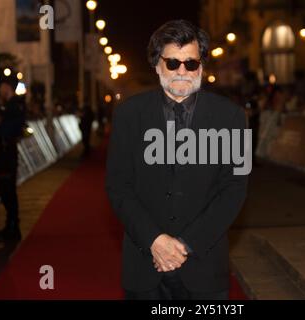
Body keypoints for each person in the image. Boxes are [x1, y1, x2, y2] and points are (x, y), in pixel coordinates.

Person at [106, 20, 248, 300]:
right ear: (157, 65)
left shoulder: (231, 117)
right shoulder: (128, 115)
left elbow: (234, 189)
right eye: (172, 63)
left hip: (205, 268)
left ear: (201, 67)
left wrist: (185, 245)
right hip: (143, 266)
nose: (182, 71)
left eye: (190, 63)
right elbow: (118, 187)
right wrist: (154, 241)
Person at [0, 78, 25, 242]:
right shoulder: (9, 106)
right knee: (6, 190)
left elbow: (8, 127)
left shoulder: (13, 106)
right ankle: (11, 225)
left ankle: (13, 226)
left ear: (7, 87)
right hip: (4, 152)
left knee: (7, 190)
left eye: (1, 86)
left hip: (6, 152)